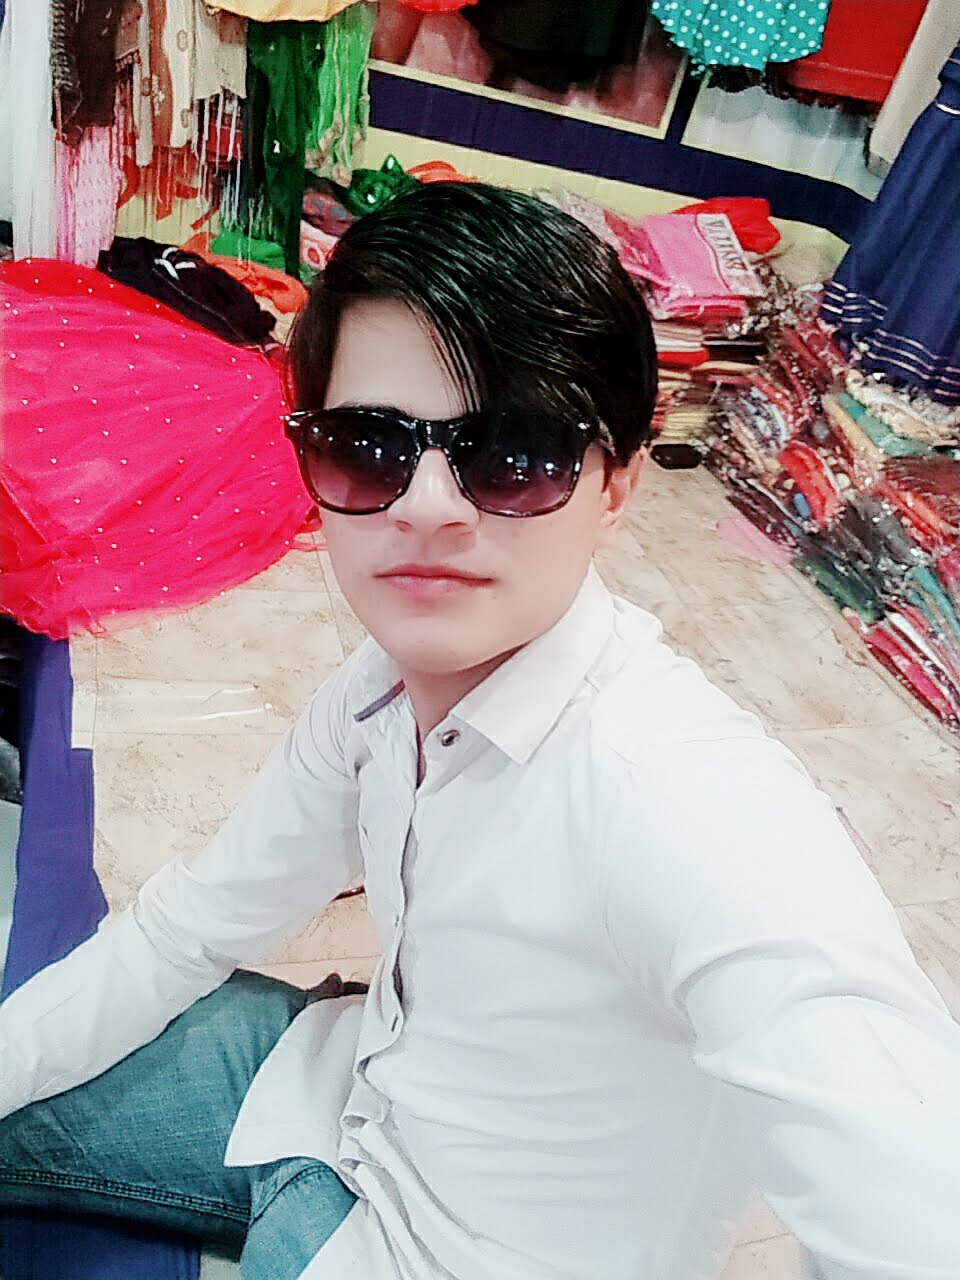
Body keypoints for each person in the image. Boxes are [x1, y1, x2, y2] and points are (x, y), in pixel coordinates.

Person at [0, 183, 958, 1280]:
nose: (427, 507)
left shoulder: (686, 800)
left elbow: (913, 1204)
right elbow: (190, 927)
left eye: (514, 454)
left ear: (617, 488)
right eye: (370, 446)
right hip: (323, 1095)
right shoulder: (375, 696)